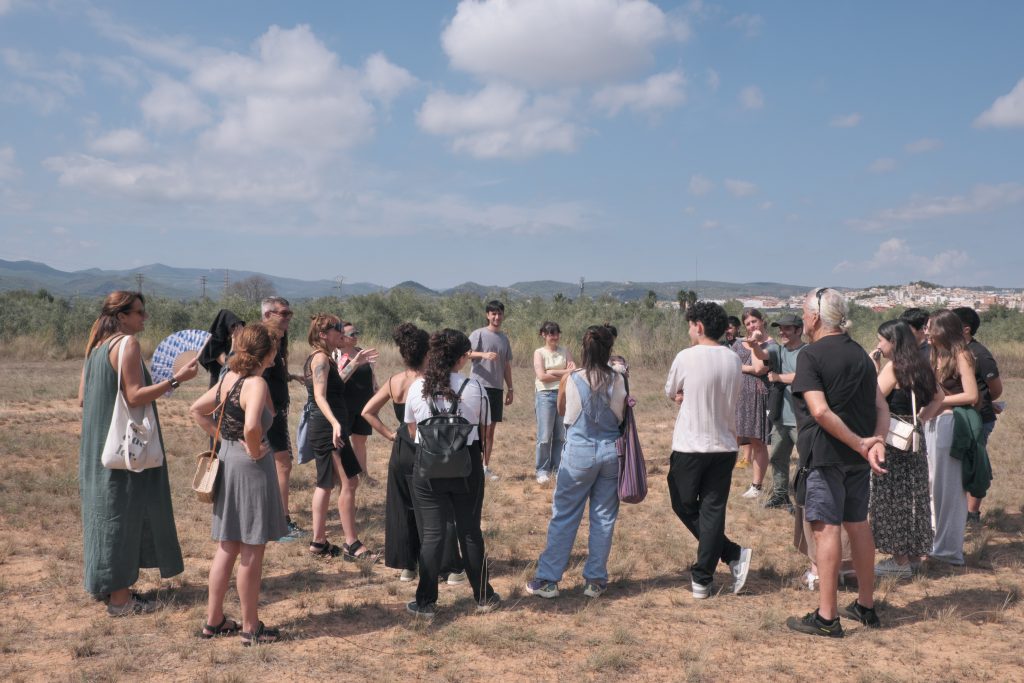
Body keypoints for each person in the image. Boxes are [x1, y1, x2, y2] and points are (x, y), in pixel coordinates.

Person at [78, 291, 199, 616]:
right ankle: (120, 601)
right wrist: (176, 379)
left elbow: (82, 398)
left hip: (97, 447)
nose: (144, 318)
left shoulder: (96, 348)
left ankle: (114, 589)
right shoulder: (127, 345)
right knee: (122, 516)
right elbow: (133, 397)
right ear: (121, 316)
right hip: (122, 452)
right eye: (139, 313)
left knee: (105, 517)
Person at [786, 287, 888, 638]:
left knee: (826, 530)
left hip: (826, 455)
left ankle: (827, 617)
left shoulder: (809, 356)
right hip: (858, 459)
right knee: (858, 525)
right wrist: (876, 442)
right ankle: (866, 605)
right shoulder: (861, 354)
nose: (801, 319)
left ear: (815, 317)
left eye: (802, 313)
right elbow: (881, 407)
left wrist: (865, 443)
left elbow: (819, 411)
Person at [189, 323, 288, 645]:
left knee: (227, 545)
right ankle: (250, 626)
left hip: (228, 461)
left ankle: (214, 620)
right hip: (250, 467)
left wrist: (223, 441)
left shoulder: (228, 378)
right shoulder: (256, 383)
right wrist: (256, 446)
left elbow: (197, 410)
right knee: (251, 548)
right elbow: (250, 427)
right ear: (267, 352)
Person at [526, 325, 627, 599]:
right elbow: (620, 416)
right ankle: (595, 581)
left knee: (565, 516)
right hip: (609, 452)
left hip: (579, 452)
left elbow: (562, 411)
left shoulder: (571, 378)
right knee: (604, 518)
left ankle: (548, 580)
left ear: (583, 349)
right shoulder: (618, 379)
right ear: (608, 350)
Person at [405, 329, 500, 618]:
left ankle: (425, 601)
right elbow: (484, 431)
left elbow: (412, 430)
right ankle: (483, 595)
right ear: (461, 358)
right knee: (469, 531)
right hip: (466, 464)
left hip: (427, 464)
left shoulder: (416, 387)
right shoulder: (475, 388)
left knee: (432, 534)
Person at [362, 323, 464, 583]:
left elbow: (367, 412)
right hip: (428, 448)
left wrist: (390, 435)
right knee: (438, 508)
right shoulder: (428, 382)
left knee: (404, 507)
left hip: (401, 450)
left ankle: (408, 566)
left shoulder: (395, 380)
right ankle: (448, 567)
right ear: (427, 353)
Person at [664, 301, 751, 599]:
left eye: (690, 325)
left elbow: (670, 390)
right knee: (712, 510)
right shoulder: (733, 359)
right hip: (725, 445)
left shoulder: (686, 357)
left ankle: (727, 556)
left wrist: (682, 395)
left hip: (691, 444)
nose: (689, 330)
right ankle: (706, 575)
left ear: (699, 326)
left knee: (683, 503)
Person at [869, 320, 944, 578]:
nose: (879, 344)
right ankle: (913, 556)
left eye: (882, 340)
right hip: (915, 438)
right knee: (914, 496)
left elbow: (874, 399)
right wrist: (921, 420)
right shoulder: (922, 366)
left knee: (892, 498)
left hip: (892, 438)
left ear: (894, 342)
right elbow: (939, 397)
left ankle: (899, 560)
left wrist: (873, 369)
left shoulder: (893, 368)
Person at [303, 314, 375, 560]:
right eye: (337, 330)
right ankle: (351, 544)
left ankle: (318, 542)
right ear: (323, 334)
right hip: (328, 429)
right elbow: (320, 396)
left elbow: (335, 387)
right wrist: (334, 423)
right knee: (349, 482)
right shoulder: (321, 358)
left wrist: (354, 363)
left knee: (325, 484)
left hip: (331, 427)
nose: (342, 334)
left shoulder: (326, 359)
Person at [924, 309, 979, 566]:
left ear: (943, 330)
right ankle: (937, 544)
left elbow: (971, 395)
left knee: (950, 488)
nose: (926, 332)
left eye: (930, 327)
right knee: (934, 485)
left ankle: (949, 551)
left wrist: (940, 401)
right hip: (935, 422)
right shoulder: (936, 355)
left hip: (951, 424)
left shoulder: (962, 355)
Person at [952, 306, 1002, 525]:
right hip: (961, 417)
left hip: (980, 418)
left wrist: (984, 401)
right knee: (961, 464)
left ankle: (972, 515)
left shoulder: (980, 354)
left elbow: (996, 388)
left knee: (975, 463)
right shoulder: (954, 351)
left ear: (965, 329)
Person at [260, 296, 303, 540]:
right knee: (282, 463)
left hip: (274, 409)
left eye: (289, 313)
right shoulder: (265, 338)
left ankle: (274, 517)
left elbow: (272, 371)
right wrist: (270, 411)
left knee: (273, 463)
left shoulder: (277, 338)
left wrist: (291, 376)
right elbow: (258, 376)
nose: (288, 318)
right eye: (283, 313)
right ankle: (281, 522)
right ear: (267, 315)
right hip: (270, 411)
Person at [761, 313, 806, 509]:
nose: (782, 332)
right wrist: (754, 344)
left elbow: (803, 377)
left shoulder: (808, 352)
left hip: (801, 418)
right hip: (781, 417)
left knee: (806, 460)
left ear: (798, 330)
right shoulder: (777, 350)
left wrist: (778, 377)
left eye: (787, 328)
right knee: (777, 457)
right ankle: (780, 495)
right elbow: (762, 355)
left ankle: (801, 498)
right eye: (780, 328)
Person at [468, 300, 513, 480]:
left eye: (499, 313)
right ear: (487, 315)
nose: (496, 317)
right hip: (478, 387)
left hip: (496, 389)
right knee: (476, 429)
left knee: (489, 431)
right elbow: (466, 353)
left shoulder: (504, 339)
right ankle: (473, 466)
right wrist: (483, 354)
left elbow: (507, 365)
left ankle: (485, 468)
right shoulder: (478, 334)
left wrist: (510, 388)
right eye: (493, 313)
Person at [733, 308, 773, 498]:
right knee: (733, 436)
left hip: (758, 395)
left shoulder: (770, 344)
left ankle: (756, 485)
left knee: (757, 441)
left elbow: (760, 369)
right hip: (739, 394)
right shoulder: (739, 343)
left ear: (762, 321)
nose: (751, 326)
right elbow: (730, 364)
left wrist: (754, 344)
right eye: (748, 323)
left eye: (754, 321)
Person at [333, 321, 379, 481]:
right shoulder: (335, 356)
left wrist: (376, 394)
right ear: (342, 338)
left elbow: (372, 377)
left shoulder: (362, 352)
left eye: (356, 333)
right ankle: (342, 477)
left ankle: (363, 475)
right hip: (343, 407)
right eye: (352, 334)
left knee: (360, 440)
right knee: (341, 443)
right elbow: (336, 381)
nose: (356, 336)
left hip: (364, 406)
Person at [532, 321, 576, 484]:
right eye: (550, 333)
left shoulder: (565, 351)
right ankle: (542, 469)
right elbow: (542, 376)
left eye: (556, 333)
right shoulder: (539, 352)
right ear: (543, 334)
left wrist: (554, 372)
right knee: (544, 435)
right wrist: (565, 372)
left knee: (561, 435)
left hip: (563, 393)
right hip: (545, 395)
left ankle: (557, 467)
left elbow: (573, 372)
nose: (554, 336)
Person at [197, 309, 245, 387]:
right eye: (233, 327)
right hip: (218, 382)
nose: (236, 330)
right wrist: (234, 342)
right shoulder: (214, 343)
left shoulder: (228, 340)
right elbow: (228, 364)